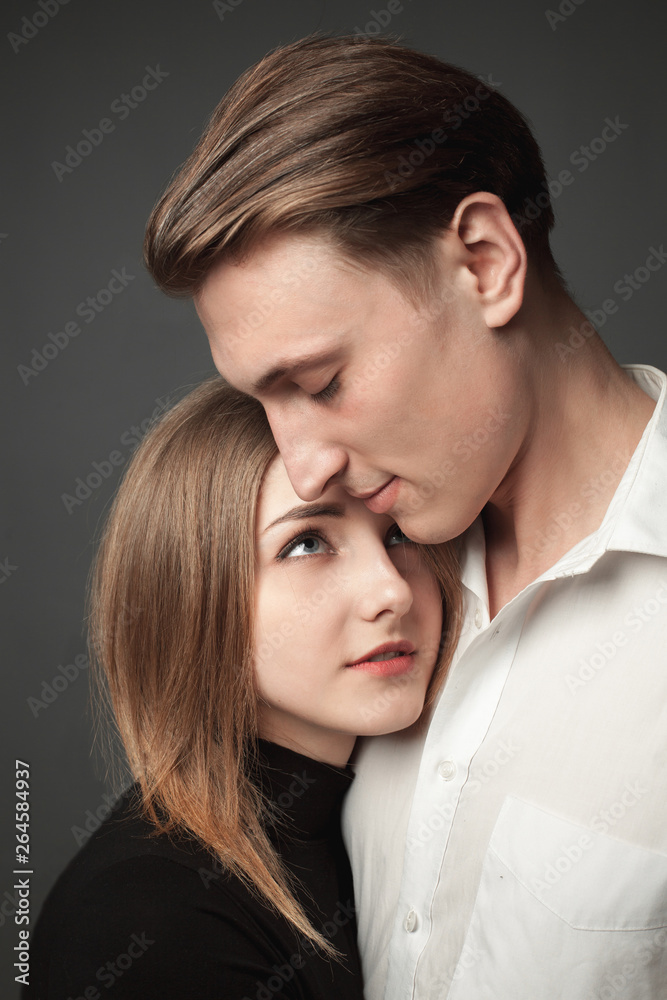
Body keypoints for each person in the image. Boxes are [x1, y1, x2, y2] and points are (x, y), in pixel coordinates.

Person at [142, 31, 667, 1000]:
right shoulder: (376, 606)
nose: (302, 464)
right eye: (264, 404)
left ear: (484, 262)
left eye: (321, 380)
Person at [25, 377, 460, 999]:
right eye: (306, 543)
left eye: (397, 534)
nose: (391, 590)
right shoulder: (148, 922)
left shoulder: (359, 828)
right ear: (192, 599)